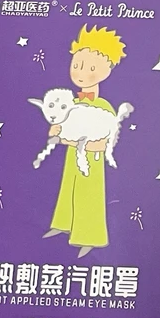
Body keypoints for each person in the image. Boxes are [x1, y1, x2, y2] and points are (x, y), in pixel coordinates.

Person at [43, 25, 125, 257]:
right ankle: (63, 223)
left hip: (91, 160)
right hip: (73, 157)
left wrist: (79, 143)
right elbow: (62, 131)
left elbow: (106, 141)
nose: (81, 73)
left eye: (91, 68)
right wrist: (57, 132)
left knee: (88, 195)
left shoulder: (103, 107)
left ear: (107, 69)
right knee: (68, 188)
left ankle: (90, 237)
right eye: (77, 65)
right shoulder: (72, 103)